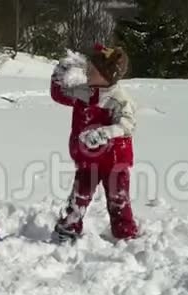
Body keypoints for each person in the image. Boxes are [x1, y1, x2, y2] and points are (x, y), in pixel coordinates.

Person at [50, 44, 139, 243]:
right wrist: (60, 72)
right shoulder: (85, 92)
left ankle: (125, 234)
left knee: (118, 199)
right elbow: (59, 94)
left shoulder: (119, 99)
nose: (87, 71)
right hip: (88, 159)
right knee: (79, 195)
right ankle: (69, 226)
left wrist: (106, 132)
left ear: (108, 75)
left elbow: (127, 124)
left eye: (93, 69)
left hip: (115, 161)